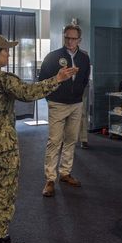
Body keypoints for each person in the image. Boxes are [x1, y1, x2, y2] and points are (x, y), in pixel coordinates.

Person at [0, 33, 76, 243]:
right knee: (2, 194)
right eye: (5, 51)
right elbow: (28, 93)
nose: (8, 54)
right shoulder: (1, 78)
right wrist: (56, 79)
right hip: (2, 148)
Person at [39, 24, 91, 197]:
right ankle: (50, 180)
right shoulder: (52, 57)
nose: (70, 41)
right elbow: (42, 81)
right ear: (63, 37)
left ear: (79, 40)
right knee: (54, 141)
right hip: (57, 104)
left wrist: (77, 96)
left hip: (76, 104)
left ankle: (65, 173)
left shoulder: (84, 58)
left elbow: (84, 80)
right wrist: (52, 99)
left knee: (70, 140)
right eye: (67, 37)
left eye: (73, 38)